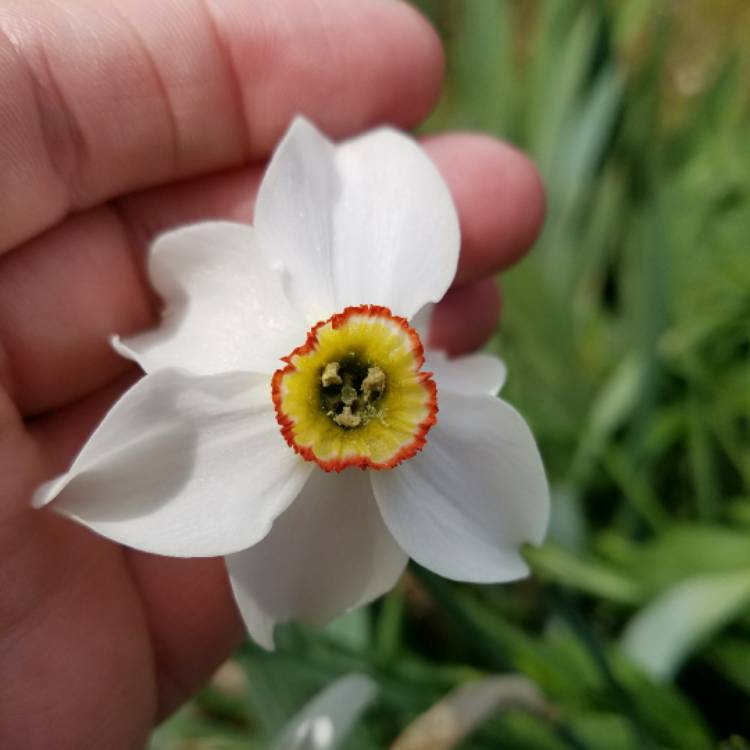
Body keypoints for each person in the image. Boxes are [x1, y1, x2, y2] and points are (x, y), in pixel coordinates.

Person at [0, 1, 545, 747]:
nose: (350, 392)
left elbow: (492, 521)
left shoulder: (402, 386)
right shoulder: (302, 365)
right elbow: (155, 459)